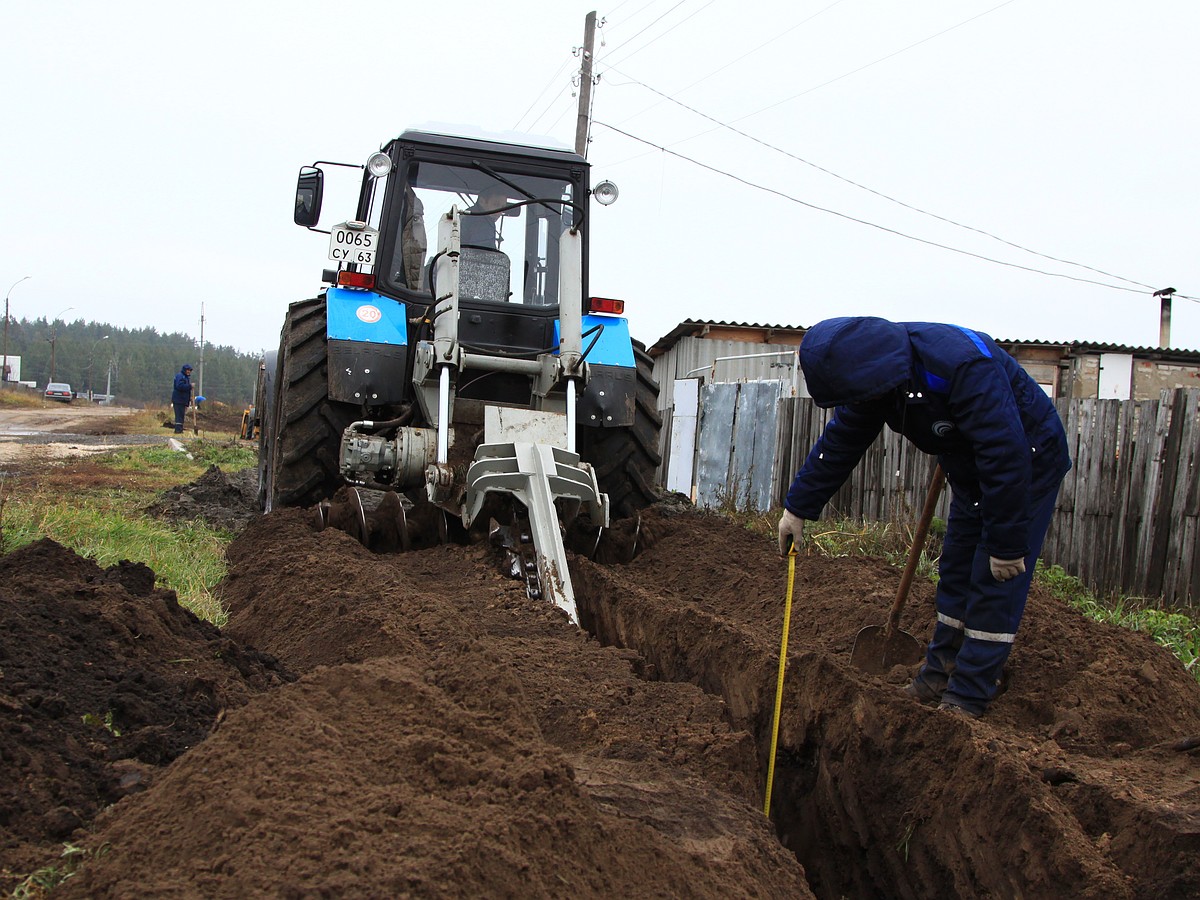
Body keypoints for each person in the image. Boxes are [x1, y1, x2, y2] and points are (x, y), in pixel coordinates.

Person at [777, 317, 1071, 718]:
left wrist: (1006, 544)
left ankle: (968, 695)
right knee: (955, 568)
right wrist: (798, 507)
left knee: (992, 577)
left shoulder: (963, 365)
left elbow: (1005, 453)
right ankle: (939, 673)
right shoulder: (877, 378)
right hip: (968, 465)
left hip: (1025, 463)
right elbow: (843, 439)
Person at [172, 364, 193, 434]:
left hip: (183, 400)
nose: (189, 372)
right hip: (178, 400)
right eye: (187, 370)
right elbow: (179, 386)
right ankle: (178, 430)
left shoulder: (186, 378)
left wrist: (189, 399)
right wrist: (190, 386)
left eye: (190, 370)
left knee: (181, 415)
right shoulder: (180, 376)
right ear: (184, 370)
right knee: (179, 415)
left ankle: (180, 430)